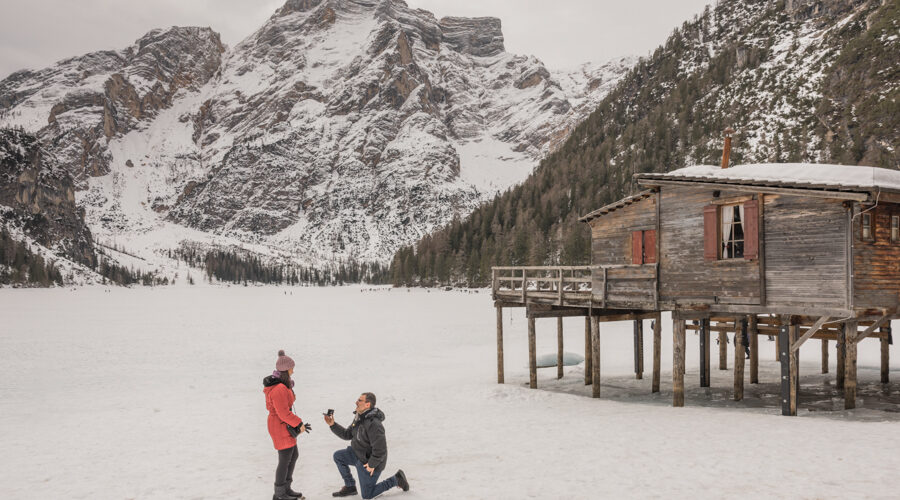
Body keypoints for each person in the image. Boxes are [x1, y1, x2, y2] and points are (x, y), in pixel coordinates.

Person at [325, 392, 409, 498]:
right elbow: (347, 434)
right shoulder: (359, 417)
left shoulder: (374, 424)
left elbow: (380, 450)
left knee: (367, 495)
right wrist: (332, 424)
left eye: (360, 400)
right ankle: (350, 486)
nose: (356, 402)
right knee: (338, 456)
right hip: (357, 453)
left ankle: (396, 479)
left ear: (367, 404)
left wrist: (371, 465)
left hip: (369, 462)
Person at [263, 350, 307, 500]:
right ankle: (280, 494)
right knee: (285, 459)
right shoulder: (279, 389)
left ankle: (286, 489)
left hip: (284, 424)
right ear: (286, 370)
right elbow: (283, 413)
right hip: (279, 425)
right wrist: (299, 423)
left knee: (293, 455)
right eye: (291, 368)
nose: (293, 370)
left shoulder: (283, 385)